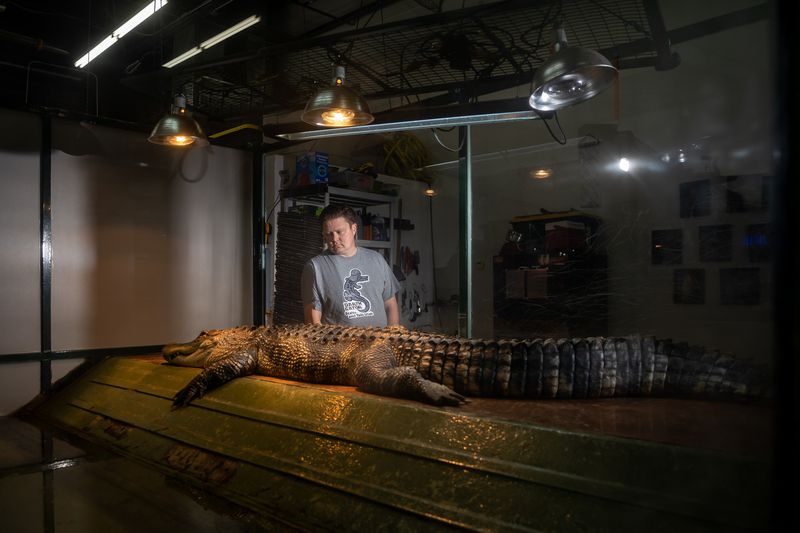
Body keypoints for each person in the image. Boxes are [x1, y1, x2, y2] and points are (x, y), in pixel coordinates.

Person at [301, 204, 401, 326]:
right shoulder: (315, 267)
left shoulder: (377, 259)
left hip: (380, 344)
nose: (334, 239)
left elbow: (390, 304)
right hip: (340, 344)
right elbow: (312, 321)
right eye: (329, 234)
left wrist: (392, 338)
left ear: (353, 229)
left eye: (339, 232)